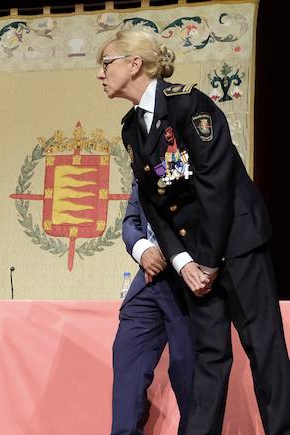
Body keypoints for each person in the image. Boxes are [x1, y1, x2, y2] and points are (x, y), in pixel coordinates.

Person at [98, 29, 290, 435]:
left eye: (107, 62)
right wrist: (184, 262)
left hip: (236, 244)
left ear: (135, 64)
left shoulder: (189, 104)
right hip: (194, 260)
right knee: (210, 355)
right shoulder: (131, 129)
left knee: (265, 349)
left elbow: (215, 184)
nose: (101, 73)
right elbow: (153, 202)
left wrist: (207, 259)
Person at [111, 181, 194, 435]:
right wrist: (144, 250)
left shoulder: (201, 153)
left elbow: (209, 216)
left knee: (190, 376)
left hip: (189, 283)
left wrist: (170, 253)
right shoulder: (146, 163)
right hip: (148, 285)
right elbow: (131, 222)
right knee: (127, 361)